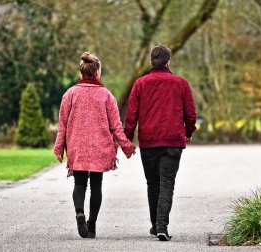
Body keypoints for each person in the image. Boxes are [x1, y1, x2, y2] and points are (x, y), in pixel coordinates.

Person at [54, 52, 135, 239]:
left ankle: (79, 213)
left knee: (79, 183)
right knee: (96, 186)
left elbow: (63, 125)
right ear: (97, 72)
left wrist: (59, 148)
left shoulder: (70, 94)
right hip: (101, 148)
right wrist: (126, 146)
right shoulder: (106, 95)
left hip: (77, 146)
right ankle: (92, 225)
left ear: (81, 72)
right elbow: (116, 126)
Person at [124, 45, 197, 241]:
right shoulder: (180, 83)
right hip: (173, 141)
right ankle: (162, 226)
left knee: (153, 184)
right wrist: (188, 132)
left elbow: (131, 115)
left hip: (149, 142)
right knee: (167, 184)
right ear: (168, 62)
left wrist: (127, 140)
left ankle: (156, 225)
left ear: (151, 62)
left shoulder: (140, 84)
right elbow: (191, 114)